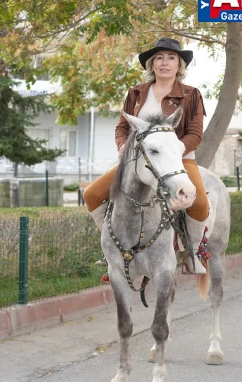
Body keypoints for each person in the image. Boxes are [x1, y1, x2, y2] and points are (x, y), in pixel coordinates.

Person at [83, 37, 209, 275]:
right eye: (159, 58)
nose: (165, 63)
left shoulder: (192, 94)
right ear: (151, 64)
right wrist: (122, 146)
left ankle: (192, 253)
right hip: (138, 160)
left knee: (200, 204)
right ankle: (111, 251)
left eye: (171, 58)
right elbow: (122, 127)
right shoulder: (136, 93)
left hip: (179, 158)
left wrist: (174, 150)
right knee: (92, 194)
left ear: (179, 65)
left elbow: (195, 133)